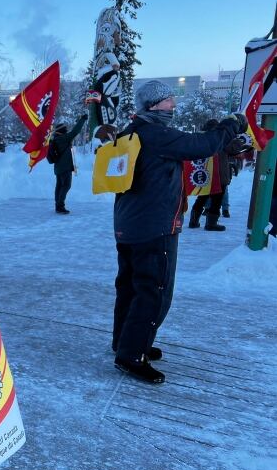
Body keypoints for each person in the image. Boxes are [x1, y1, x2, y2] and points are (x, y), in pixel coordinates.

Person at [111, 80, 247, 384]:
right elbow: (200, 145)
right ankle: (131, 355)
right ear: (155, 104)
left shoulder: (130, 131)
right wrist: (230, 125)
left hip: (128, 225)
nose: (174, 105)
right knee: (155, 291)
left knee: (131, 288)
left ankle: (127, 341)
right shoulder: (156, 134)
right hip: (154, 227)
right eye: (170, 100)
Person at [187, 118, 244, 232]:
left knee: (202, 197)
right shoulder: (220, 138)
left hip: (204, 173)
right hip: (218, 173)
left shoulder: (201, 138)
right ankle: (211, 224)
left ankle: (193, 221)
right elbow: (232, 150)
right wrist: (238, 141)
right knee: (217, 199)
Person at [47, 114, 88, 214]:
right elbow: (75, 131)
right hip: (65, 167)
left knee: (59, 186)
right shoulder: (64, 138)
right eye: (65, 130)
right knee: (66, 185)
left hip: (58, 168)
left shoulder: (55, 140)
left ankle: (58, 205)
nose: (66, 131)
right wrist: (82, 120)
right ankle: (60, 206)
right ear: (62, 131)